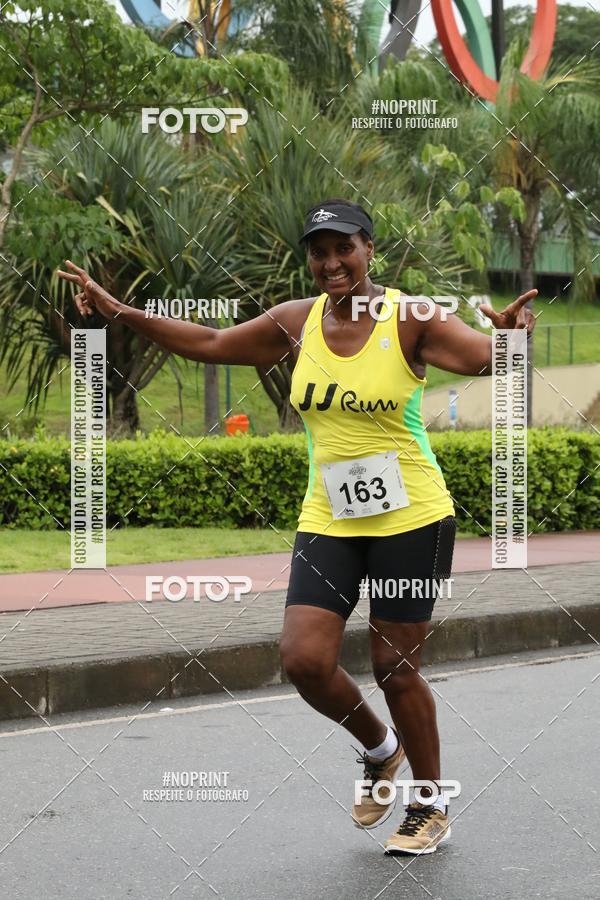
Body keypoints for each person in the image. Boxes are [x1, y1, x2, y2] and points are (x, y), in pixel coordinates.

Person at [58, 198, 536, 855]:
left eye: (344, 247)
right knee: (304, 660)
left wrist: (510, 337)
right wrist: (120, 313)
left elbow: (486, 358)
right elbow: (211, 342)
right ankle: (379, 749)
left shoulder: (410, 318)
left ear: (370, 249)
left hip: (412, 518)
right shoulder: (296, 322)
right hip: (331, 515)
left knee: (395, 667)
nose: (332, 262)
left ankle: (430, 802)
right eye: (319, 251)